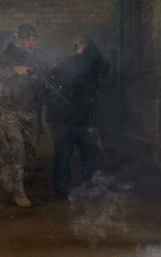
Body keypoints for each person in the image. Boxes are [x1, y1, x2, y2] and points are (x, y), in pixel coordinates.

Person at [0, 24, 47, 208]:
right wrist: (15, 70)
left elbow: (44, 79)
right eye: (28, 39)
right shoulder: (5, 57)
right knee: (18, 147)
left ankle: (11, 175)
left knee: (32, 150)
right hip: (9, 109)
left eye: (33, 39)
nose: (31, 42)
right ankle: (18, 190)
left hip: (29, 109)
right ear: (18, 40)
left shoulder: (37, 57)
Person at [46, 35, 107, 199]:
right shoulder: (67, 63)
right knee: (63, 156)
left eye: (86, 46)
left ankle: (89, 186)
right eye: (83, 45)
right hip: (64, 118)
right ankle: (62, 189)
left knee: (87, 154)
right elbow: (49, 82)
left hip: (81, 118)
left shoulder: (92, 65)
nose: (84, 49)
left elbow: (100, 82)